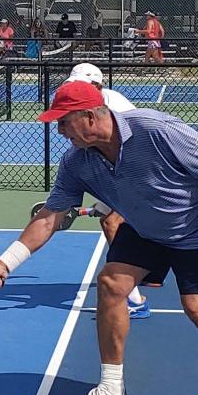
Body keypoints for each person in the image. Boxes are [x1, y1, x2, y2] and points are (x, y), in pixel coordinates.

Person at [0, 80, 198, 395]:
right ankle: (111, 391)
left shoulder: (153, 128)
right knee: (111, 284)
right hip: (144, 230)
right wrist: (4, 263)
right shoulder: (76, 162)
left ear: (89, 118)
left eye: (64, 122)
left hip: (196, 229)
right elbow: (49, 218)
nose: (59, 130)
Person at [64, 63, 148, 318]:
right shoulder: (87, 109)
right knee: (111, 219)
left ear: (98, 87)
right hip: (120, 172)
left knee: (112, 222)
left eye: (81, 86)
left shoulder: (115, 107)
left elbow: (133, 150)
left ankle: (135, 301)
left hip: (140, 170)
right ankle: (142, 273)